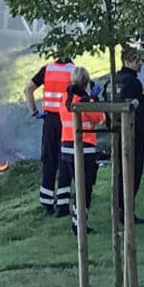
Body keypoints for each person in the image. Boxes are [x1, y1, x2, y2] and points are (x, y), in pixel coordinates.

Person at [24, 57, 75, 216]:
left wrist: (34, 111)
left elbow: (28, 89)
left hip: (49, 121)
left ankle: (47, 204)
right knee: (65, 160)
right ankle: (63, 205)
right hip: (66, 120)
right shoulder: (73, 71)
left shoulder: (47, 69)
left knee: (49, 161)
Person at [59, 66, 105, 236]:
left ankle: (77, 223)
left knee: (78, 186)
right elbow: (100, 119)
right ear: (86, 82)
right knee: (85, 189)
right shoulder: (86, 101)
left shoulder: (65, 98)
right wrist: (94, 99)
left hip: (67, 149)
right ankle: (79, 225)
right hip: (84, 150)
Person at [113, 47, 144, 225]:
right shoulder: (133, 83)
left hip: (117, 130)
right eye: (137, 60)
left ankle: (118, 209)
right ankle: (126, 211)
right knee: (132, 173)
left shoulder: (114, 79)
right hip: (132, 132)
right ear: (128, 61)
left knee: (121, 172)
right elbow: (137, 112)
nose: (141, 64)